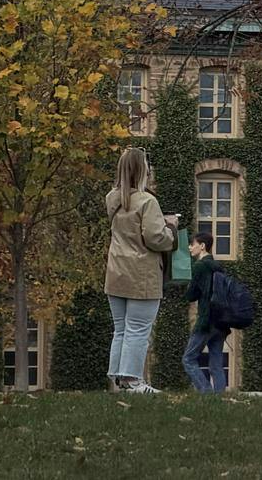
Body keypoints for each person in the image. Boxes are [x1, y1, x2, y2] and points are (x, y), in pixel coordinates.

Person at [105, 146, 178, 393]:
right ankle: (133, 381)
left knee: (121, 328)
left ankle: (118, 379)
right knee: (138, 329)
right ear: (142, 169)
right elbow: (155, 238)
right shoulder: (148, 201)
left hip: (116, 271)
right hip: (142, 273)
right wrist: (171, 228)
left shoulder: (112, 198)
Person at [182, 226, 228, 393]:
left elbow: (190, 296)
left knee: (188, 359)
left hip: (206, 320)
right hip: (221, 322)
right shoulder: (218, 266)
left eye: (192, 244)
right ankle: (220, 397)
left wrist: (188, 285)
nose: (189, 247)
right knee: (216, 362)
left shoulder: (200, 267)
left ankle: (206, 391)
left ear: (202, 246)